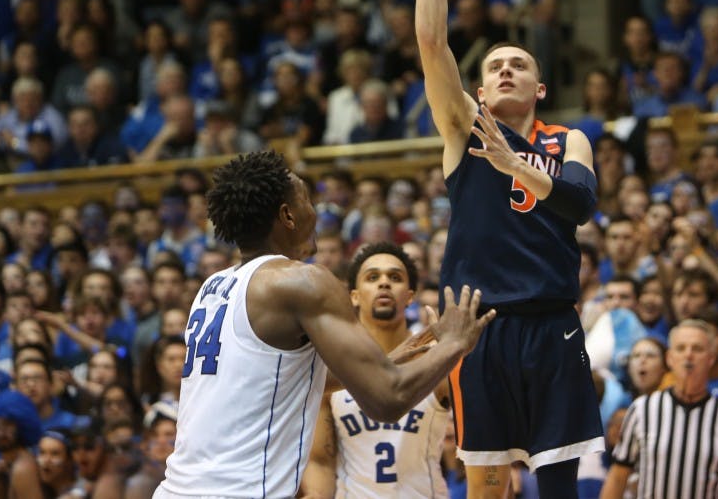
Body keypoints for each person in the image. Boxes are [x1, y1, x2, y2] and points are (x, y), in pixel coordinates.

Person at [153, 151, 495, 498]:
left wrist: (394, 358)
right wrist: (455, 343)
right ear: (287, 215)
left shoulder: (211, 288)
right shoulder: (300, 281)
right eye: (307, 200)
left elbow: (284, 378)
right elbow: (388, 401)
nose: (315, 212)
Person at [410, 0, 604, 498]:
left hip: (552, 325)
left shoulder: (569, 138)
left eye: (517, 64)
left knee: (558, 489)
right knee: (487, 487)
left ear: (539, 87)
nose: (503, 71)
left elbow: (580, 205)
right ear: (481, 88)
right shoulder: (461, 129)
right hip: (482, 329)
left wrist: (515, 164)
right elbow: (431, 40)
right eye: (493, 66)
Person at [302, 242, 450, 497]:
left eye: (395, 277)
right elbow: (320, 461)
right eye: (373, 277)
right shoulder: (334, 365)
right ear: (354, 296)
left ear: (410, 295)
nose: (384, 283)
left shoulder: (434, 359)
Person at [601, 319, 718, 499]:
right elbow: (618, 477)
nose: (688, 355)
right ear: (670, 358)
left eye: (697, 349)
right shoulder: (642, 410)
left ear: (711, 359)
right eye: (681, 348)